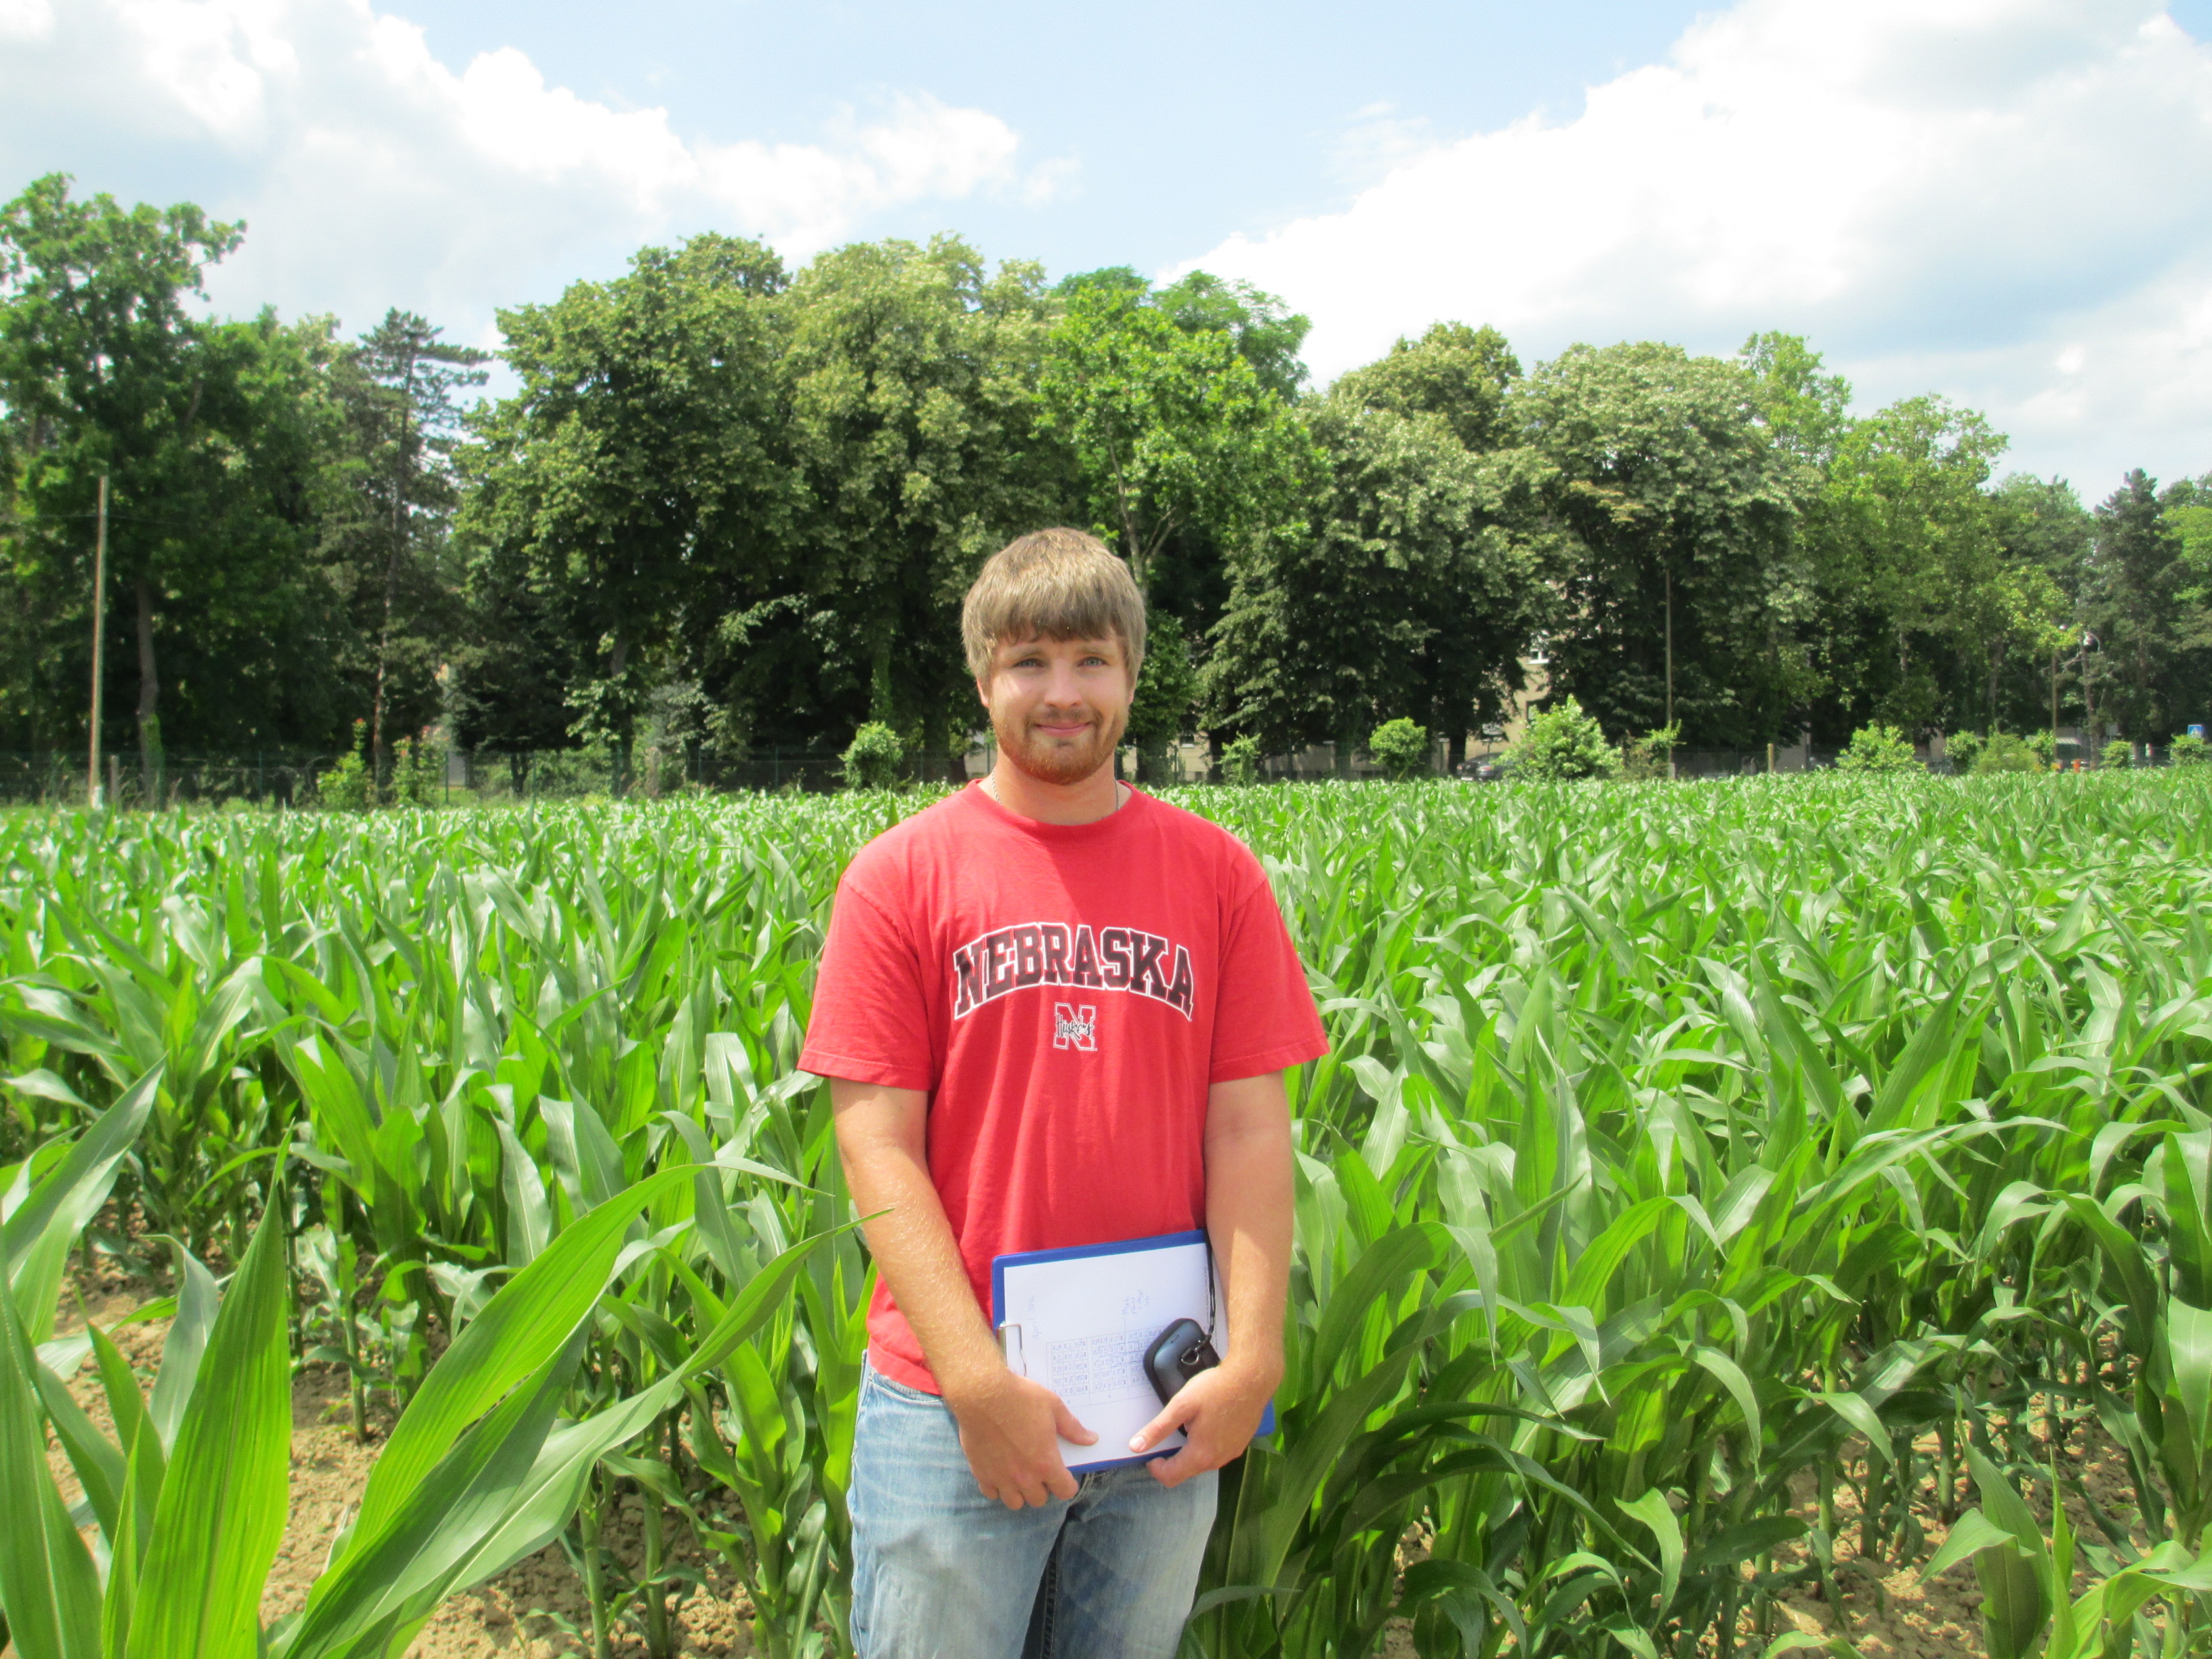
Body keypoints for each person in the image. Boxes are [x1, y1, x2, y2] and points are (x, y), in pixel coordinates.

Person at [799, 527, 1328, 1659]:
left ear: (1132, 675)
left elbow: (1248, 1126)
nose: (1062, 693)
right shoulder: (900, 877)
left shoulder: (1217, 875)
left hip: (1158, 1394)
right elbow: (875, 1147)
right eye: (1030, 660)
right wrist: (977, 1381)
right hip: (951, 1406)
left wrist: (1257, 1360)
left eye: (1092, 659)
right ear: (984, 676)